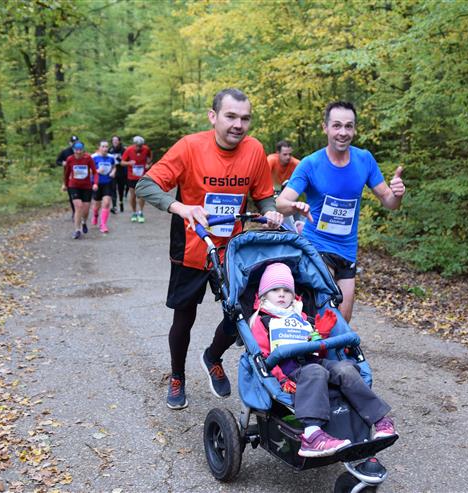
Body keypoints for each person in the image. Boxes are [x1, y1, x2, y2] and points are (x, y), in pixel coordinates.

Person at [136, 88, 284, 409]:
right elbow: (145, 185)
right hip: (191, 246)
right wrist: (181, 207)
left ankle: (213, 357)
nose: (238, 125)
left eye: (245, 118)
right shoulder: (190, 146)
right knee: (184, 317)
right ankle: (177, 377)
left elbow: (263, 195)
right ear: (213, 116)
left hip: (231, 249)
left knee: (240, 313)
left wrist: (271, 211)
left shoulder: (254, 150)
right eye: (230, 116)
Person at [276, 101, 405, 322]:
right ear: (325, 127)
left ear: (354, 129)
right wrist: (294, 206)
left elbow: (389, 202)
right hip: (317, 246)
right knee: (322, 313)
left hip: (347, 251)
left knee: (342, 320)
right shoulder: (310, 164)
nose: (343, 132)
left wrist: (398, 194)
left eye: (348, 126)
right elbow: (281, 203)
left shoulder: (364, 160)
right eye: (336, 126)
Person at [250, 263, 396, 457]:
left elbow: (318, 351)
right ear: (263, 295)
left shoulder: (301, 317)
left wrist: (321, 335)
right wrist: (281, 379)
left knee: (346, 368)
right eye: (275, 290)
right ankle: (312, 435)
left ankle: (379, 419)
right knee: (315, 371)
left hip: (313, 363)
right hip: (289, 371)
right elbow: (262, 356)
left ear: (293, 295)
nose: (282, 294)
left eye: (287, 290)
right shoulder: (261, 321)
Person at [62, 141, 98, 239]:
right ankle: (77, 230)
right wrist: (65, 184)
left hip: (87, 187)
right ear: (73, 150)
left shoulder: (88, 158)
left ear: (83, 149)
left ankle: (84, 222)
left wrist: (95, 183)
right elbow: (66, 173)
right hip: (74, 186)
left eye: (80, 150)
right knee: (78, 207)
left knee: (86, 210)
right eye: (76, 150)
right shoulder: (70, 159)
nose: (78, 152)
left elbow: (95, 172)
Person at [122, 136, 152, 223]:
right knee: (133, 195)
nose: (139, 147)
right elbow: (122, 162)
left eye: (141, 146)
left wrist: (148, 164)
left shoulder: (146, 149)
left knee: (142, 195)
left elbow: (150, 158)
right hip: (132, 176)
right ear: (134, 144)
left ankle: (140, 212)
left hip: (143, 176)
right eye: (137, 146)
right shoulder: (128, 150)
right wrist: (129, 163)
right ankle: (134, 212)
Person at [90, 141, 117, 233]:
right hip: (96, 183)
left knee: (106, 203)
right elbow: (88, 170)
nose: (105, 148)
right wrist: (97, 171)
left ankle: (103, 224)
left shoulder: (111, 157)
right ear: (99, 147)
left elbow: (114, 167)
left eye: (106, 147)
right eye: (103, 146)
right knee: (96, 205)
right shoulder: (93, 157)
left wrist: (113, 172)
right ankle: (95, 215)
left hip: (108, 182)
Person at [56, 135, 79, 218]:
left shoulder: (81, 151)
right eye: (73, 142)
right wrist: (63, 163)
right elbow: (57, 161)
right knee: (72, 195)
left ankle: (80, 211)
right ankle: (75, 212)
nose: (74, 144)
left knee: (80, 195)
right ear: (70, 143)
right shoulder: (65, 152)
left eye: (76, 142)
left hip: (80, 175)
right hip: (69, 176)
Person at [108, 136, 127, 213]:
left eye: (116, 140)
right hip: (113, 171)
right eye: (113, 140)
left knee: (121, 189)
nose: (115, 141)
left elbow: (126, 160)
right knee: (113, 189)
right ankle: (114, 206)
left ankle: (121, 202)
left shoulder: (123, 149)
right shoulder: (110, 149)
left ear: (119, 141)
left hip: (121, 171)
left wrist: (119, 159)